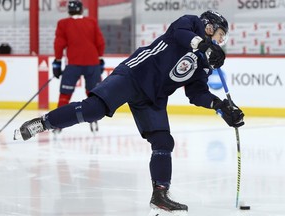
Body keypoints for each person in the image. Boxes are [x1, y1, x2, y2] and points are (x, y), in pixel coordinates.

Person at [14, 11, 244, 216]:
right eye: (220, 35)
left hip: (153, 96)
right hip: (134, 75)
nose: (221, 41)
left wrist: (221, 106)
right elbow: (181, 34)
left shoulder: (205, 62)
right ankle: (43, 123)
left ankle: (160, 194)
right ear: (209, 27)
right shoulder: (191, 23)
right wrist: (203, 45)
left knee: (163, 141)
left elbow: (196, 93)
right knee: (94, 110)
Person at [52, 0, 105, 133]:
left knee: (65, 94)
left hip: (74, 63)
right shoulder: (91, 22)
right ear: (81, 9)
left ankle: (58, 123)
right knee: (93, 93)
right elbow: (100, 42)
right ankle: (93, 119)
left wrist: (57, 61)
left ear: (69, 10)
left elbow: (59, 43)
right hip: (92, 63)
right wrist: (100, 58)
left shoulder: (63, 23)